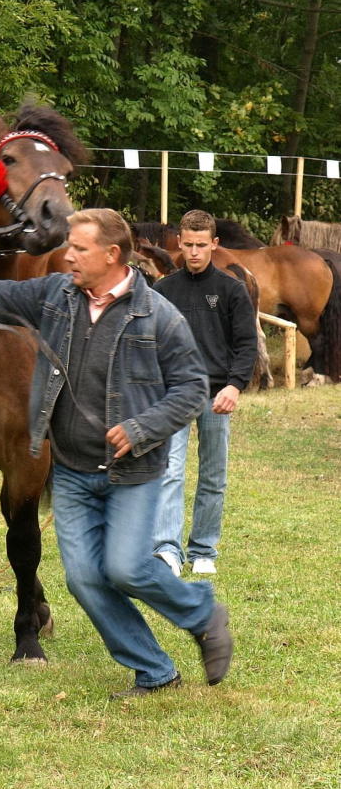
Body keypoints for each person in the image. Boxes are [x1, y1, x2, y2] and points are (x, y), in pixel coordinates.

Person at [0, 208, 233, 697]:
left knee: (127, 567)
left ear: (111, 255)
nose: (67, 255)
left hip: (131, 467)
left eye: (79, 248)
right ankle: (154, 670)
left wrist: (142, 426)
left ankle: (204, 615)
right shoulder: (54, 297)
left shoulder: (159, 315)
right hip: (70, 469)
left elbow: (194, 388)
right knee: (84, 581)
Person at [152, 210, 258, 577]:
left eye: (202, 245)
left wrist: (235, 385)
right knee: (169, 470)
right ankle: (167, 548)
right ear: (179, 243)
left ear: (215, 244)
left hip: (217, 394)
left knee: (213, 474)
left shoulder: (232, 289)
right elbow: (149, 343)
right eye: (188, 244)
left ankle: (203, 550)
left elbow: (246, 345)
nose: (194, 252)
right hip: (174, 394)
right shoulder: (162, 291)